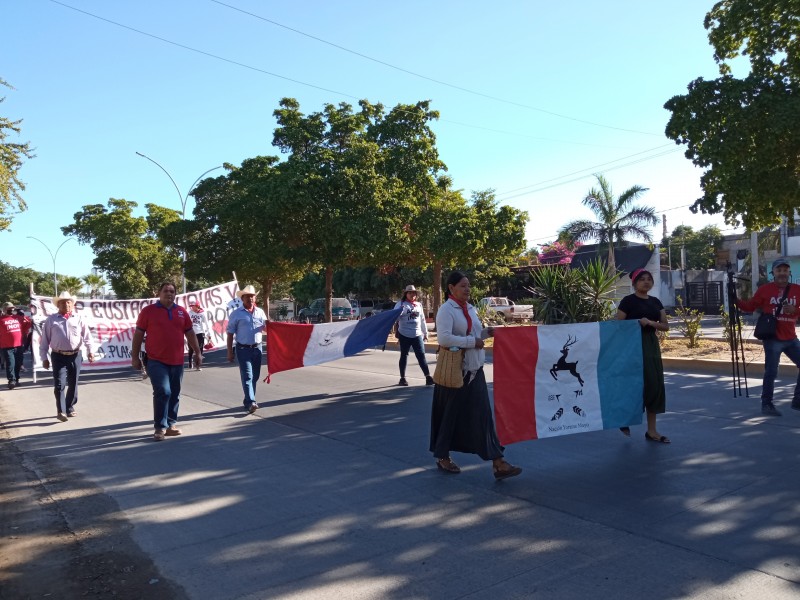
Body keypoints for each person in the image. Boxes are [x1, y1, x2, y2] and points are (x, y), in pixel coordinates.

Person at [430, 271, 522, 480]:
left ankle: (498, 463)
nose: (468, 289)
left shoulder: (470, 309)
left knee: (483, 418)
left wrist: (487, 333)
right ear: (451, 288)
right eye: (463, 286)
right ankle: (442, 456)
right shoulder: (446, 310)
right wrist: (473, 342)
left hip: (474, 370)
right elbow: (444, 339)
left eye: (469, 285)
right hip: (455, 372)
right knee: (448, 417)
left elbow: (473, 335)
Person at [131, 282, 201, 441]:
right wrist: (134, 357)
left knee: (175, 393)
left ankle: (171, 425)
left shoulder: (182, 312)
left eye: (172, 291)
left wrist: (197, 352)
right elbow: (138, 335)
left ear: (175, 294)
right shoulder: (148, 311)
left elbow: (190, 333)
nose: (169, 293)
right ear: (159, 292)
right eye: (165, 291)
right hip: (156, 360)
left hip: (177, 361)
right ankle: (159, 427)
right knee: (164, 391)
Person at [736, 257, 800, 416]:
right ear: (773, 273)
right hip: (772, 339)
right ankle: (767, 404)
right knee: (771, 372)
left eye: (785, 270)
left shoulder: (797, 289)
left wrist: (795, 311)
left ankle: (797, 399)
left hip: (791, 338)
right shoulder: (765, 289)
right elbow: (750, 306)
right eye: (779, 270)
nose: (782, 273)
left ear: (789, 272)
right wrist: (735, 300)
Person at [616, 268, 671, 443]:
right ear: (634, 283)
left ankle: (652, 431)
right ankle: (624, 419)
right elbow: (618, 325)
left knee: (653, 384)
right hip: (632, 346)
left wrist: (650, 323)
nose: (646, 282)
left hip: (651, 345)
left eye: (649, 279)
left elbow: (665, 325)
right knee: (633, 384)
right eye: (642, 279)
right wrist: (636, 323)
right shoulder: (628, 301)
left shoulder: (656, 302)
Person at [39, 291, 96, 421]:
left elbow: (87, 337)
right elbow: (44, 341)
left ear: (73, 304)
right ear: (58, 305)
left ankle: (70, 407)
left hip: (75, 355)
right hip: (58, 356)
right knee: (59, 384)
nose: (66, 304)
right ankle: (61, 411)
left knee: (73, 383)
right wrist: (44, 358)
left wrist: (90, 351)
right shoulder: (51, 320)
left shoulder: (79, 318)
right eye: (63, 302)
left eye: (69, 302)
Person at [226, 285, 267, 414]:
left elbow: (266, 328)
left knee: (255, 376)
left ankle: (248, 400)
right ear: (242, 298)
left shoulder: (260, 312)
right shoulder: (236, 314)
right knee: (247, 375)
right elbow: (230, 333)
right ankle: (251, 402)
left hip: (257, 348)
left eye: (252, 296)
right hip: (243, 349)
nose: (250, 298)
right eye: (247, 296)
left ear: (255, 298)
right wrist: (229, 352)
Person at [394, 285, 434, 386]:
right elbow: (394, 318)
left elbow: (422, 320)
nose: (412, 295)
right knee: (404, 355)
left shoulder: (418, 305)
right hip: (404, 334)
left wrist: (425, 333)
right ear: (406, 294)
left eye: (414, 293)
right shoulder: (400, 304)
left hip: (417, 334)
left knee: (421, 356)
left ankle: (428, 377)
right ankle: (402, 378)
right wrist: (400, 312)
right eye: (410, 293)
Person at [1, 302, 23, 389]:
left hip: (19, 345)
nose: (11, 310)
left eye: (12, 308)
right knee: (10, 363)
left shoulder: (18, 318)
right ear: (4, 309)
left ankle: (16, 379)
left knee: (18, 363)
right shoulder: (1, 319)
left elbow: (27, 326)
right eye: (9, 308)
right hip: (7, 346)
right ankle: (11, 380)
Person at [187, 302, 210, 371]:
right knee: (191, 348)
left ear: (197, 306)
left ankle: (198, 365)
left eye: (193, 306)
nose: (192, 307)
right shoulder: (189, 313)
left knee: (200, 349)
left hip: (200, 332)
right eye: (191, 306)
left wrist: (208, 333)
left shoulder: (202, 313)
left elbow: (206, 323)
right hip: (191, 332)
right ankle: (190, 361)